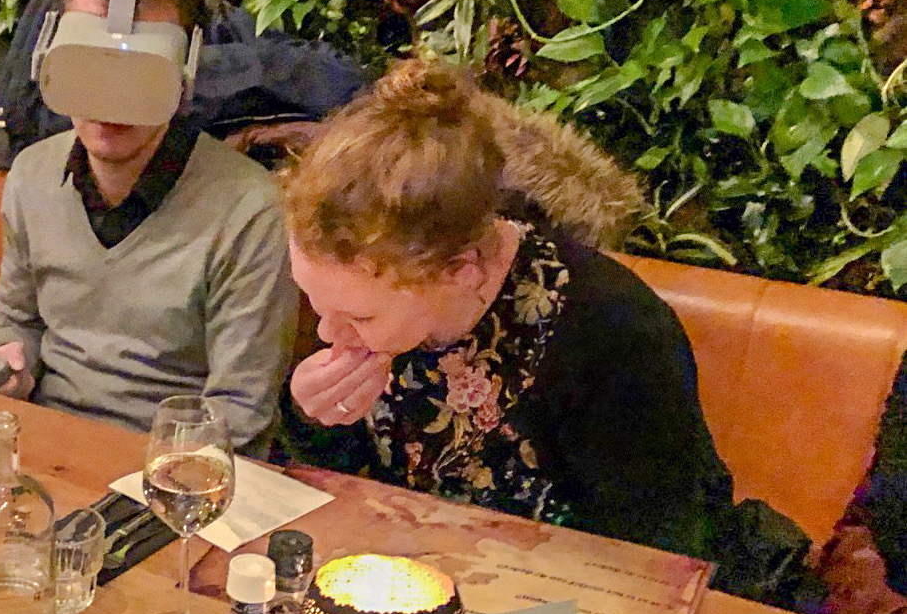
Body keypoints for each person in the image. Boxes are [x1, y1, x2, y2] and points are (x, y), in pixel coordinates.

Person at [279, 58, 734, 557]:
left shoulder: (613, 333)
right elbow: (339, 500)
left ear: (460, 272)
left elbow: (655, 554)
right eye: (313, 300)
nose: (328, 333)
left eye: (360, 317)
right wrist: (313, 419)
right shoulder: (374, 299)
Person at [0, 0, 295, 453]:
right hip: (45, 449)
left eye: (139, 71)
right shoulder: (32, 176)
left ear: (184, 70)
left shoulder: (249, 209)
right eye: (88, 66)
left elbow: (240, 409)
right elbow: (17, 324)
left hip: (171, 466)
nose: (109, 100)